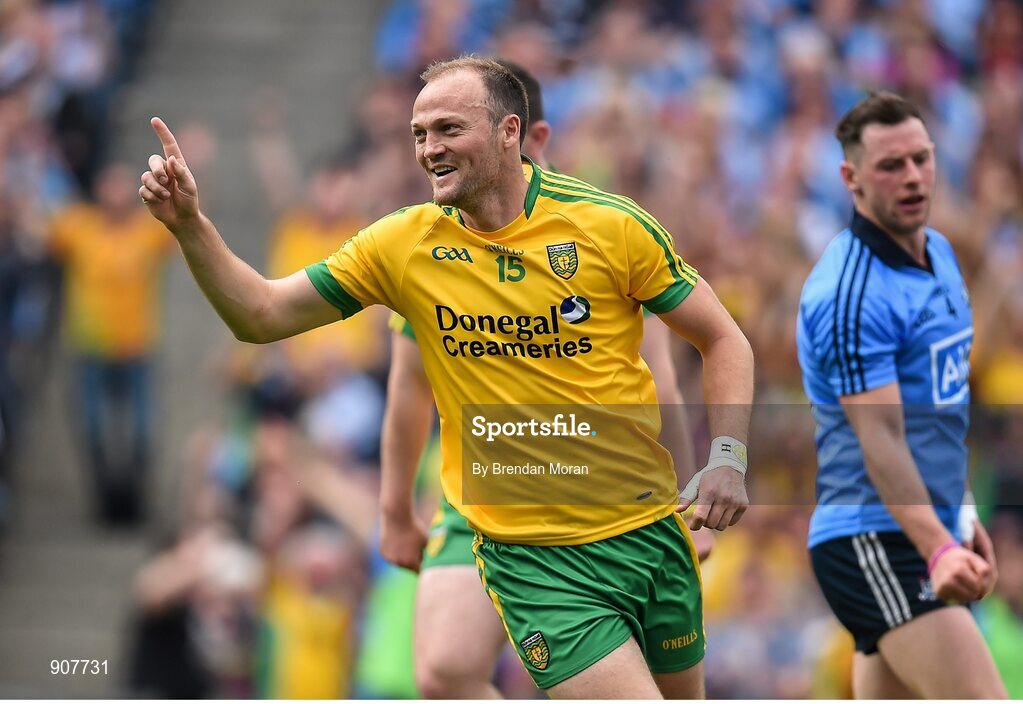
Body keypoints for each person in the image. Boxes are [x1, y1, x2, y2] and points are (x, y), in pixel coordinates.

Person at [139, 56, 753, 698]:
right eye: (419, 133)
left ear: (511, 132)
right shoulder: (403, 246)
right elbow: (261, 313)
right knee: (445, 672)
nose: (429, 148)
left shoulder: (609, 225)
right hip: (532, 557)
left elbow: (722, 339)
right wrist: (191, 228)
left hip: (646, 535)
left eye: (449, 129)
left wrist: (726, 459)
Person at [382, 59, 712, 698]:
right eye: (428, 134)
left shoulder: (598, 234)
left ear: (528, 138)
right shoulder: (430, 249)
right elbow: (407, 386)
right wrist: (396, 509)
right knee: (445, 670)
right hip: (486, 492)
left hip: (611, 501)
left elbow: (663, 378)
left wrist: (686, 496)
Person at [796, 91, 1007, 699]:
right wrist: (937, 545)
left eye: (921, 158)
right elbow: (880, 439)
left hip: (920, 532)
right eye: (891, 165)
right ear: (851, 178)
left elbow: (937, 410)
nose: (912, 177)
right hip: (873, 537)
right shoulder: (850, 292)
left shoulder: (939, 253)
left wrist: (958, 514)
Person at [51, 162, 174, 524]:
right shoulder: (78, 225)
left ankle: (135, 503)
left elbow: (188, 227)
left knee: (143, 432)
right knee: (91, 430)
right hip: (90, 349)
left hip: (138, 349)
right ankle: (104, 504)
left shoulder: (146, 230)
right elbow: (39, 234)